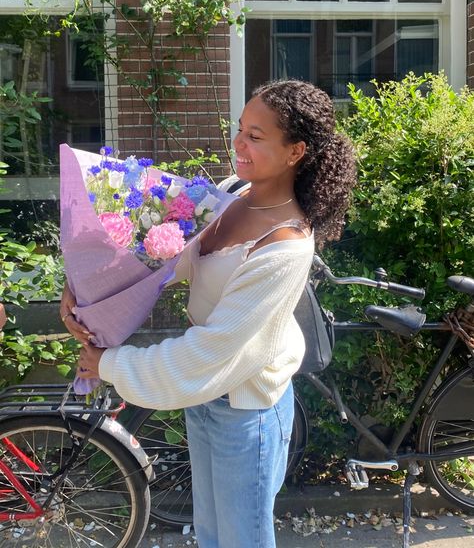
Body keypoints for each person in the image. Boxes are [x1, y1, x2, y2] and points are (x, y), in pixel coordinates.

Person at [60, 79, 356, 548]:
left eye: (256, 137)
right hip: (206, 396)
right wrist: (82, 290)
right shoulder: (230, 191)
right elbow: (165, 259)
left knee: (242, 539)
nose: (238, 142)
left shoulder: (286, 245)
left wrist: (112, 363)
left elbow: (214, 348)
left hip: (246, 408)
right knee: (212, 534)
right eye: (240, 128)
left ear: (296, 150)